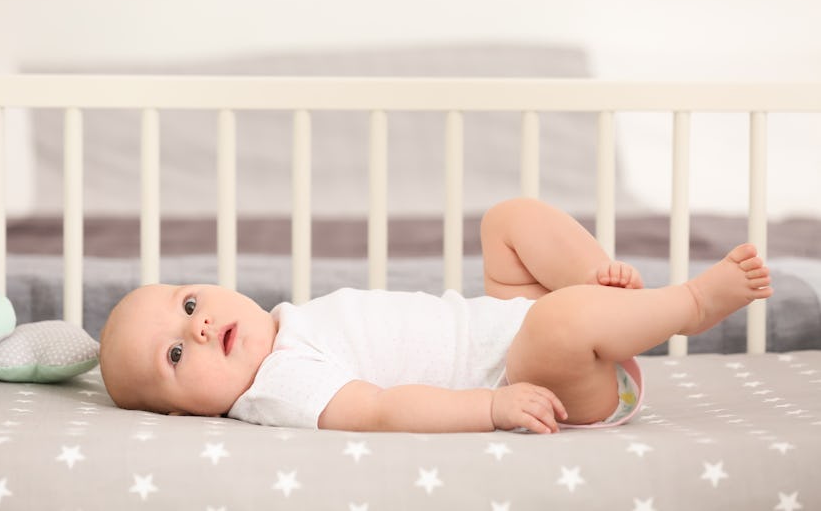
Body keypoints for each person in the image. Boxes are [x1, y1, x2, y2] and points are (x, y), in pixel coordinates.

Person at [99, 198, 772, 433]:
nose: (196, 326)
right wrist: (492, 410)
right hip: (532, 376)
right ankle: (686, 307)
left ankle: (607, 298)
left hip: (501, 323)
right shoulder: (279, 386)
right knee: (554, 328)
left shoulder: (285, 324)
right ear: (183, 415)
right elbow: (382, 411)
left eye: (187, 303)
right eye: (176, 356)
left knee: (509, 222)